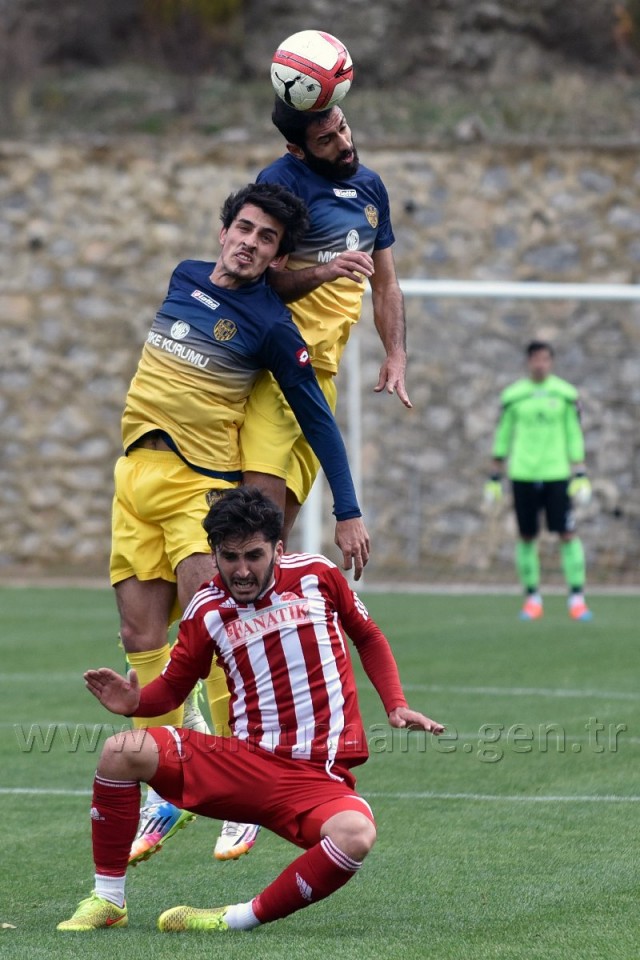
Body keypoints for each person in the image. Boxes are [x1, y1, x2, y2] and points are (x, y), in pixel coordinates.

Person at [111, 182, 370, 865]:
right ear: (225, 229)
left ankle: (244, 790)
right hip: (134, 476)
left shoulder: (271, 328)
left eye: (267, 240)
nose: (251, 244)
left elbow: (317, 417)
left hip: (199, 484)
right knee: (139, 634)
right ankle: (163, 790)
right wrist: (309, 269)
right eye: (245, 230)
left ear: (275, 256)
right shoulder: (185, 275)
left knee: (215, 627)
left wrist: (347, 509)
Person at [57, 487, 444, 933]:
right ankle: (108, 901)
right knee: (120, 752)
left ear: (278, 549)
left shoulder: (318, 575)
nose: (241, 570)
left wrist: (395, 705)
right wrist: (137, 702)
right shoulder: (206, 608)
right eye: (229, 557)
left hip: (315, 777)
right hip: (243, 763)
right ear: (214, 553)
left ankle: (234, 919)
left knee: (355, 835)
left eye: (254, 556)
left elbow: (369, 635)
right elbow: (175, 687)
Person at [240, 97, 411, 544]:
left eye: (343, 129)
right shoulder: (281, 181)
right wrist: (324, 270)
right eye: (326, 140)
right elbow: (258, 280)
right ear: (298, 149)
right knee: (256, 532)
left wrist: (396, 352)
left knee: (275, 539)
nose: (344, 144)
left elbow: (386, 285)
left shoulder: (372, 187)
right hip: (276, 373)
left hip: (322, 379)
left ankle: (255, 613)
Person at [484, 340, 593, 621]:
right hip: (522, 474)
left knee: (567, 533)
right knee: (527, 536)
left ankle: (577, 598)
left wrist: (580, 472)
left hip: (557, 474)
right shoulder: (513, 396)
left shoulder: (566, 394)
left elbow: (574, 432)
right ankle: (532, 598)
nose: (540, 364)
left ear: (551, 362)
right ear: (528, 361)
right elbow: (503, 434)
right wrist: (494, 476)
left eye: (545, 359)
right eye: (536, 359)